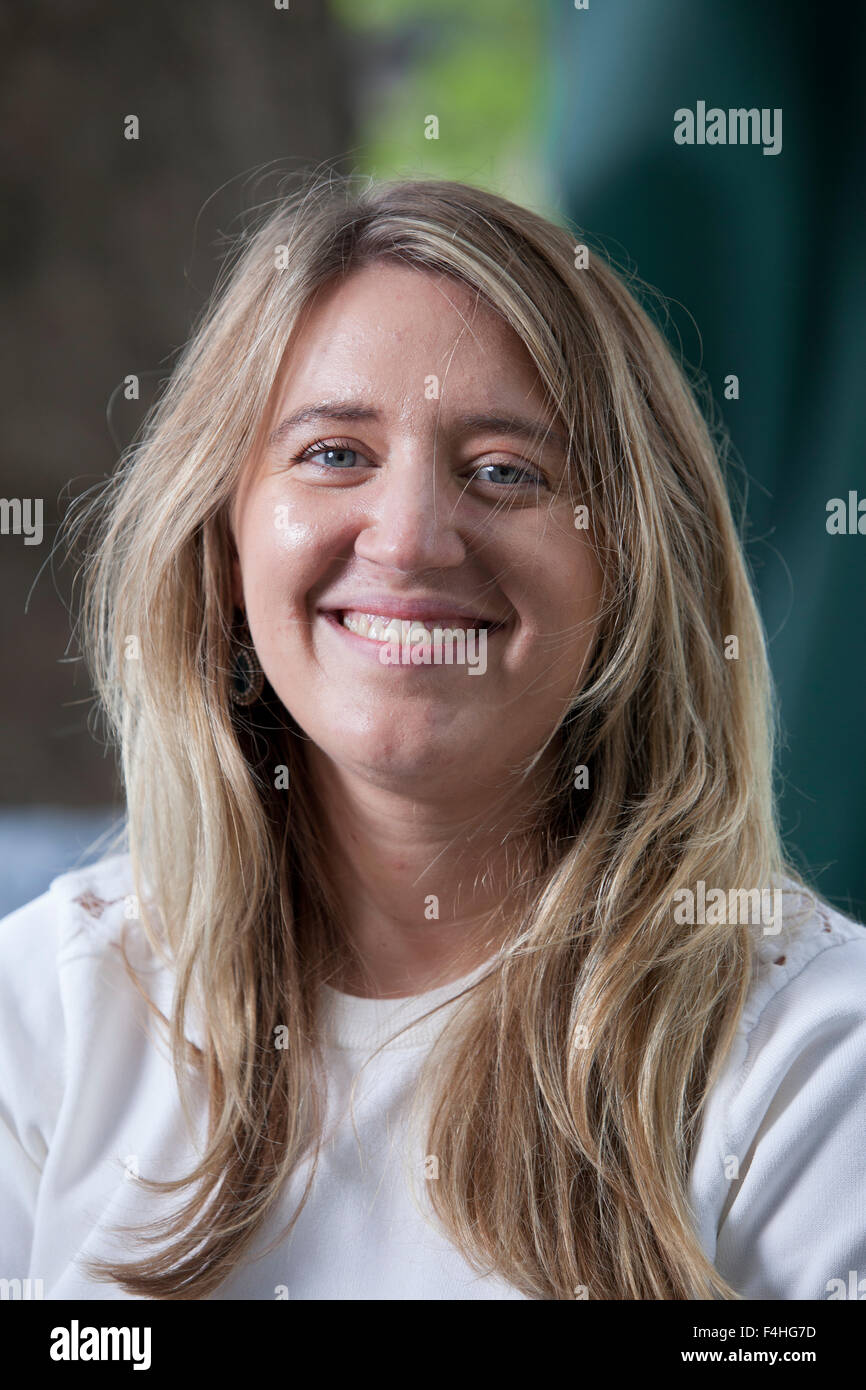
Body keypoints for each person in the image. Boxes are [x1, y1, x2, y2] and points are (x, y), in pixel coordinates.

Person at [1, 174, 865, 1302]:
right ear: (221, 541)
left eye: (505, 471)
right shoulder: (47, 1015)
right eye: (333, 453)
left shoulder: (812, 1059)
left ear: (632, 569)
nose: (408, 540)